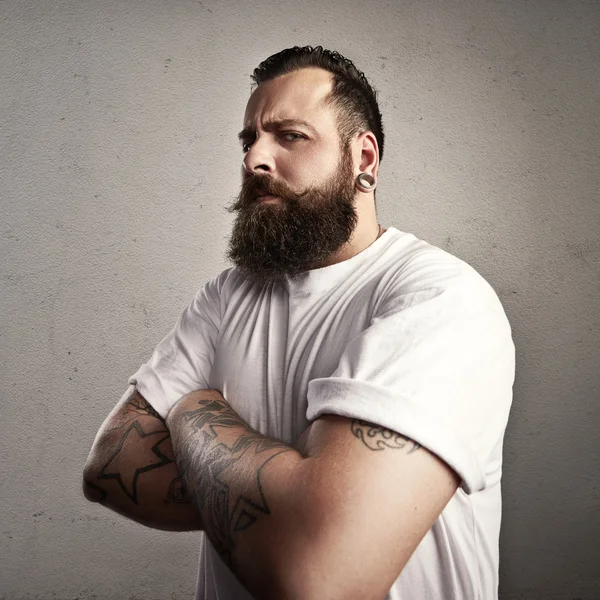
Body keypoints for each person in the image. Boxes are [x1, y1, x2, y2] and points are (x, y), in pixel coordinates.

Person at [83, 45, 515, 600]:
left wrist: (193, 409)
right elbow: (113, 463)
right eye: (249, 140)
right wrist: (290, 505)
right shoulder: (227, 295)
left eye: (289, 136)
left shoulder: (439, 300)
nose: (254, 160)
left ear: (364, 160)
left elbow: (320, 573)